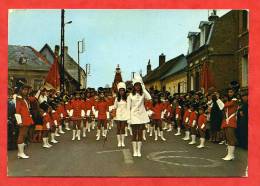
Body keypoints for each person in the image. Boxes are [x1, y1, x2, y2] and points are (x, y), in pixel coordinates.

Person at [127, 73, 152, 157]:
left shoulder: (143, 94)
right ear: (134, 86)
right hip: (133, 116)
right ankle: (134, 150)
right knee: (134, 134)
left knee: (140, 133)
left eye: (139, 85)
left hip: (141, 116)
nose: (137, 87)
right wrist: (128, 118)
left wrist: (144, 89)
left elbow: (149, 98)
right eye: (136, 85)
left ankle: (139, 150)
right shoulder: (130, 95)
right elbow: (128, 108)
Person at [15, 83, 34, 159]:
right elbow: (17, 110)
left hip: (26, 118)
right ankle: (20, 153)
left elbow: (33, 99)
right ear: (21, 90)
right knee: (21, 135)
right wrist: (19, 121)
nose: (26, 91)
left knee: (24, 134)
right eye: (25, 90)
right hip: (22, 119)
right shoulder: (19, 98)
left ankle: (20, 152)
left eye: (27, 90)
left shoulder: (25, 98)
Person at [221, 88, 239, 161]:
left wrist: (224, 104)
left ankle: (231, 155)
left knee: (231, 138)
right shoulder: (228, 101)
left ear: (234, 93)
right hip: (227, 120)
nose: (229, 93)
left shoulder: (235, 100)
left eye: (231, 92)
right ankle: (229, 154)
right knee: (228, 138)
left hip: (231, 119)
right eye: (229, 92)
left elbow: (228, 104)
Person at [113, 82, 128, 147]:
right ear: (118, 91)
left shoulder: (127, 99)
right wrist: (112, 113)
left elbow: (129, 107)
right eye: (120, 90)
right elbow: (114, 107)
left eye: (123, 90)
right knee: (118, 128)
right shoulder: (117, 99)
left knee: (123, 128)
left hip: (124, 115)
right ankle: (119, 142)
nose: (121, 92)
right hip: (118, 115)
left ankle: (123, 142)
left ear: (124, 91)